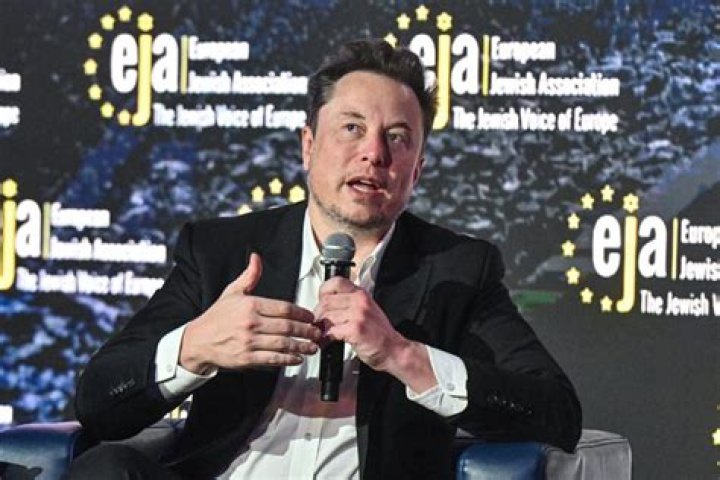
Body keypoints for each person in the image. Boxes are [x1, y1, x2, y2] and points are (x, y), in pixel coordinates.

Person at [70, 39, 581, 479]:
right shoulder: (221, 252)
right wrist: (196, 346)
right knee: (105, 468)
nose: (374, 154)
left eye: (397, 138)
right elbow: (98, 401)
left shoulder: (458, 270)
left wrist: (401, 355)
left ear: (416, 171)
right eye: (352, 128)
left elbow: (557, 414)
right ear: (308, 146)